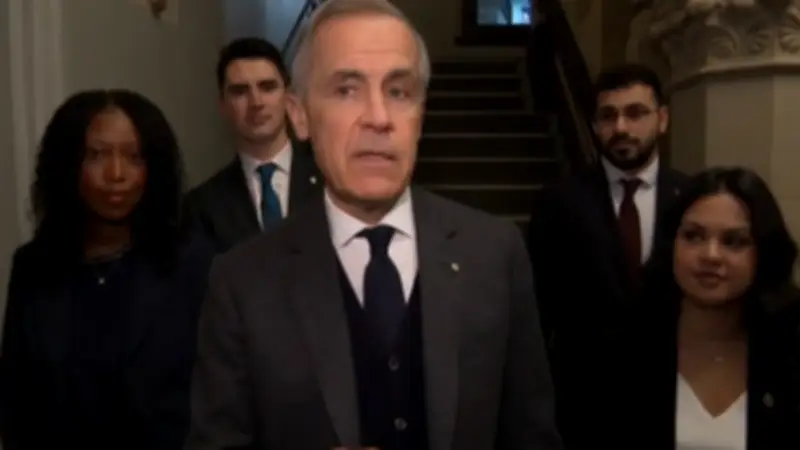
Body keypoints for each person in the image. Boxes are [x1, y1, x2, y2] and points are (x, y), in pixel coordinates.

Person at [185, 0, 562, 449]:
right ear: (300, 115)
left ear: (421, 113)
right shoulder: (242, 281)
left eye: (399, 92)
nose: (379, 118)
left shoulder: (495, 254)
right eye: (347, 90)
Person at [1, 89, 214, 449]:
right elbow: (17, 406)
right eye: (96, 155)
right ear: (68, 164)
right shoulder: (33, 268)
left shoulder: (193, 264)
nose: (116, 174)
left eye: (134, 157)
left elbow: (218, 403)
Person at [524, 63, 687, 445]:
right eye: (608, 116)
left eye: (636, 113)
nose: (621, 128)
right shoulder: (558, 202)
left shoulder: (691, 198)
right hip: (583, 408)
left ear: (662, 119)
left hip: (672, 402)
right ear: (595, 125)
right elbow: (537, 310)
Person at [599, 167, 800, 449]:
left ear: (764, 252)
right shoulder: (623, 346)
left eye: (733, 241)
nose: (710, 255)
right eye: (693, 236)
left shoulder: (790, 346)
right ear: (671, 244)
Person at [184, 37, 322, 252]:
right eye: (240, 91)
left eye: (267, 87)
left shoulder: (331, 177)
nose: (256, 102)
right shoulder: (201, 206)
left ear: (288, 98)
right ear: (223, 105)